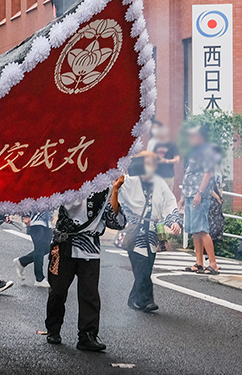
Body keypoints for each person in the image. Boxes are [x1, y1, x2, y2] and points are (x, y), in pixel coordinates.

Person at [45, 182, 126, 351]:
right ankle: (53, 328)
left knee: (89, 294)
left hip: (90, 248)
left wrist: (116, 190)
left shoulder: (106, 189)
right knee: (57, 291)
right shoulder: (70, 180)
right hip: (63, 244)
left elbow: (116, 222)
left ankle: (87, 335)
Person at [120, 153, 181, 312]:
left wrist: (173, 221)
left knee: (146, 267)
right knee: (141, 267)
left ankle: (134, 299)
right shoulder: (128, 182)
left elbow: (169, 202)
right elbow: (115, 193)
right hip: (135, 232)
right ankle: (146, 301)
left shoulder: (159, 183)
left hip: (153, 232)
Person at [181, 125, 219, 275]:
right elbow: (189, 175)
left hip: (199, 196)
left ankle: (213, 264)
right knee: (195, 231)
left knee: (202, 229)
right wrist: (183, 197)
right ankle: (199, 263)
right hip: (191, 194)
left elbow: (208, 173)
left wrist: (199, 193)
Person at [14, 211, 55, 287]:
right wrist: (25, 215)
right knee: (39, 248)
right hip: (34, 220)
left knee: (47, 248)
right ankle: (39, 278)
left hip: (46, 219)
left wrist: (50, 212)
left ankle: (22, 261)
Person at [148, 122, 180, 192]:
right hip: (156, 176)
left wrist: (166, 161)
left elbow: (177, 159)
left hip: (168, 176)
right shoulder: (156, 145)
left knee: (167, 198)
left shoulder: (172, 145)